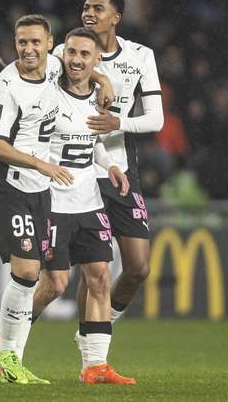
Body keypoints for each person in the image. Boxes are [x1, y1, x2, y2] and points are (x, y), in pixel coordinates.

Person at [0, 14, 112, 385]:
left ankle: (11, 360)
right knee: (26, 273)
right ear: (15, 45)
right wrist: (40, 162)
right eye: (22, 42)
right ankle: (7, 354)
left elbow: (83, 66)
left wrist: (102, 80)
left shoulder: (54, 66)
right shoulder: (6, 86)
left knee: (46, 279)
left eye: (36, 42)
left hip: (40, 190)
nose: (29, 49)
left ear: (50, 44)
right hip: (9, 187)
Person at [59, 0, 163, 356]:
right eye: (86, 6)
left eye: (98, 8)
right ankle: (92, 345)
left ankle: (95, 328)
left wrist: (117, 123)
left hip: (121, 170)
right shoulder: (64, 53)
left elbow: (156, 119)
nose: (89, 12)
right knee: (94, 265)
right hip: (80, 169)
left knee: (137, 268)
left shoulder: (140, 56)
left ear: (116, 17)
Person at [31, 28, 135, 385]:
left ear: (96, 60)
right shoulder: (48, 94)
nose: (76, 59)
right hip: (54, 204)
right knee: (55, 285)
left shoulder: (98, 101)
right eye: (71, 53)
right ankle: (10, 341)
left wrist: (111, 166)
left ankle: (96, 366)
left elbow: (93, 146)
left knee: (100, 278)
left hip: (89, 203)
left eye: (84, 55)